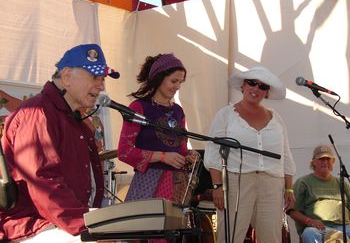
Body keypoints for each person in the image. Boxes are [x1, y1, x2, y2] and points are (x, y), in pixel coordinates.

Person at [0, 43, 120, 242]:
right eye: (94, 77)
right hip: (32, 224)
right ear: (66, 76)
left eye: (103, 79)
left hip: (60, 220)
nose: (101, 86)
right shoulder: (38, 113)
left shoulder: (71, 117)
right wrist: (85, 225)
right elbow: (41, 181)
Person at [204, 66, 296, 243]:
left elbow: (285, 154)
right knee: (230, 236)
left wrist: (289, 188)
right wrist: (217, 186)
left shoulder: (276, 118)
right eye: (252, 83)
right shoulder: (225, 115)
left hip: (272, 184)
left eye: (262, 86)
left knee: (272, 237)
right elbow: (213, 152)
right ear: (243, 86)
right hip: (236, 181)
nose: (256, 89)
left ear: (267, 93)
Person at [117, 53, 198, 242]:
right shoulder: (139, 107)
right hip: (150, 182)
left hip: (178, 184)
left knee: (173, 236)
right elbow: (125, 151)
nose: (177, 87)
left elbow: (181, 148)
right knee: (148, 233)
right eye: (173, 81)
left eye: (181, 82)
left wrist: (189, 155)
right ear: (159, 77)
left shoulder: (178, 111)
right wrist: (161, 156)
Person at [288, 144, 350, 243]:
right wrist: (309, 221)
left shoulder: (342, 183)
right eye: (321, 159)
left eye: (328, 159)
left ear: (333, 162)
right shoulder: (303, 182)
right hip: (319, 229)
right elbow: (292, 211)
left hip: (345, 227)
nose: (325, 162)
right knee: (309, 234)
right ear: (313, 162)